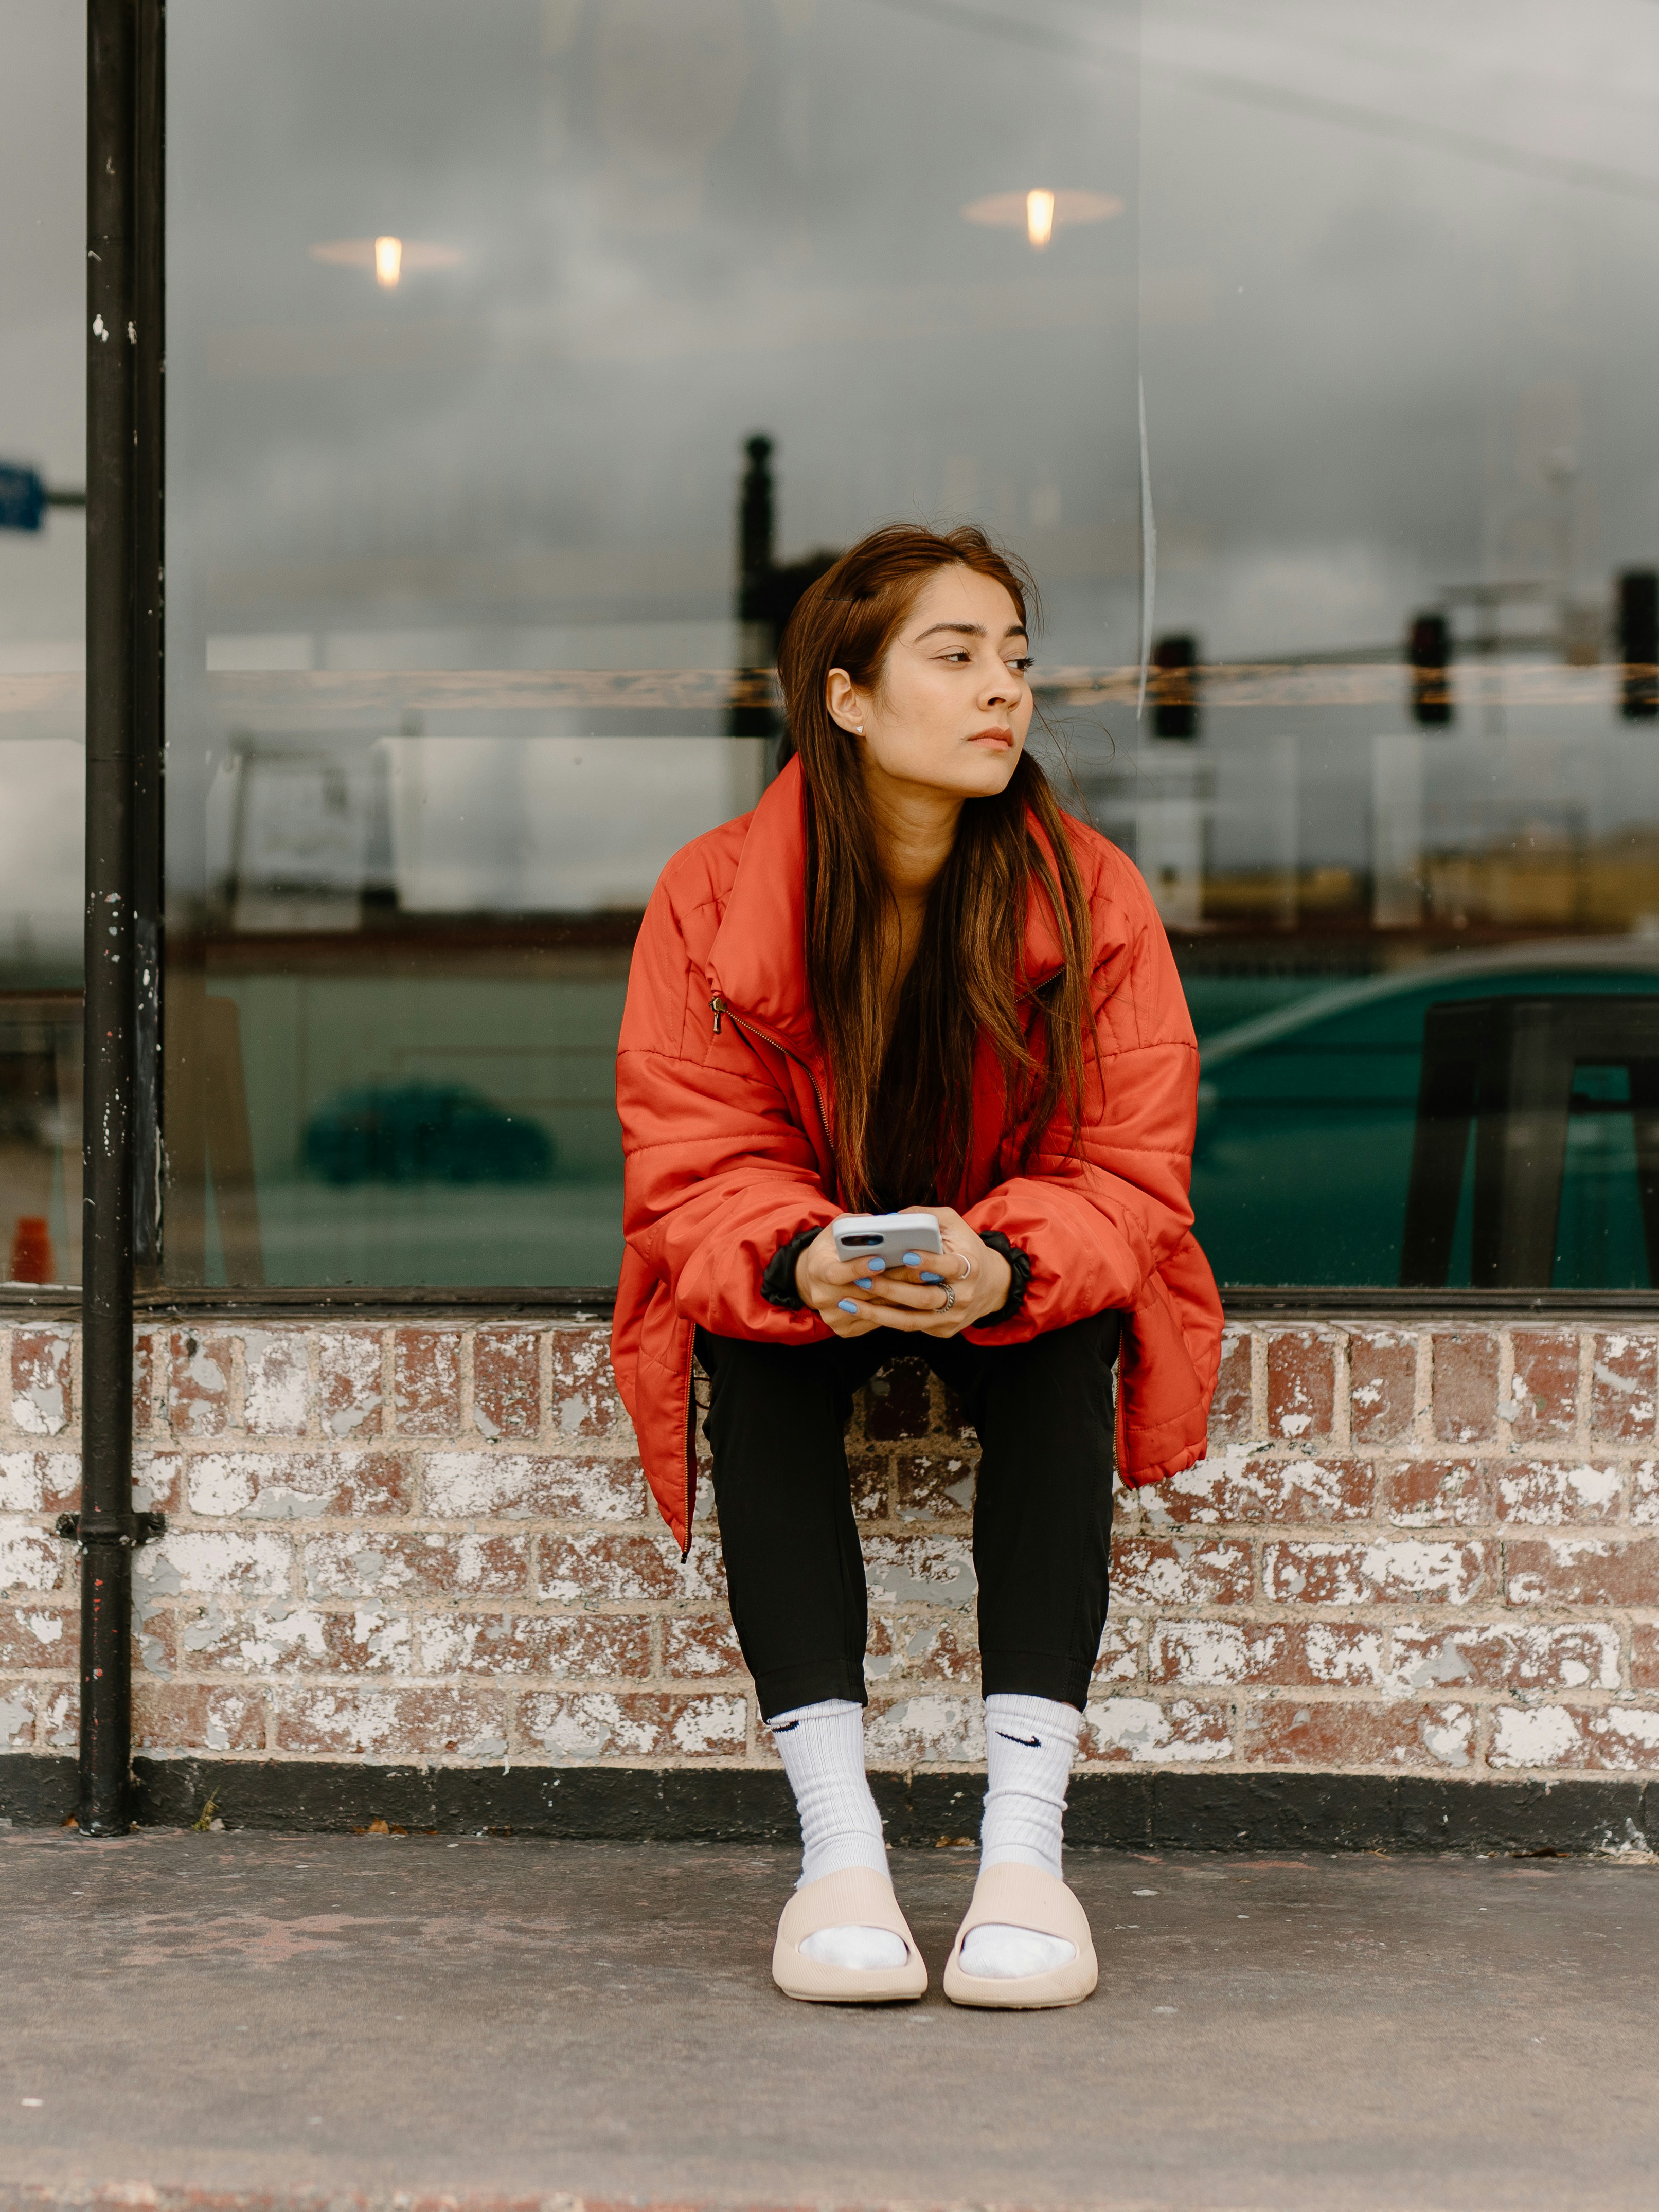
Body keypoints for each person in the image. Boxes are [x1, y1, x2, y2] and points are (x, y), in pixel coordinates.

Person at [610, 523, 1220, 2006]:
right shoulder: (710, 892)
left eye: (1013, 658)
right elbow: (691, 1162)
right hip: (811, 1256)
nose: (1000, 690)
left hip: (1003, 1259)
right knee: (751, 1350)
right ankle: (839, 1853)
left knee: (1068, 1345)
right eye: (952, 658)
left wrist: (1009, 1264)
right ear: (844, 699)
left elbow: (1129, 1171)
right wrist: (797, 1259)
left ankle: (1025, 1853)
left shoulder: (1090, 892)